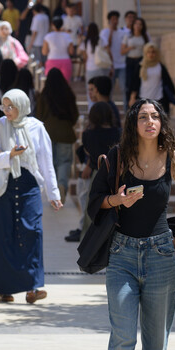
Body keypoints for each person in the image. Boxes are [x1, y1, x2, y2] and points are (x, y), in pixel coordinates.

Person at [88, 98, 175, 350]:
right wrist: (118, 200)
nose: (151, 121)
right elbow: (95, 202)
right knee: (122, 339)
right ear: (134, 123)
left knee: (156, 343)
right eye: (144, 116)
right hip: (122, 253)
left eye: (156, 116)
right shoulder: (118, 157)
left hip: (161, 253)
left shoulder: (173, 157)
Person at [0, 89, 62, 304]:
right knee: (2, 233)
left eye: (11, 106)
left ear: (22, 106)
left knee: (32, 232)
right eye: (4, 106)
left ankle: (33, 287)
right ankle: (4, 288)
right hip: (2, 186)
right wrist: (10, 155)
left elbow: (46, 162)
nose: (6, 111)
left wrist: (53, 193)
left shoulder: (37, 127)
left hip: (29, 185)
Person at [65, 100, 122, 243]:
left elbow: (89, 152)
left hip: (98, 174)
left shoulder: (89, 134)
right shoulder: (118, 133)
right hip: (116, 174)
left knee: (93, 208)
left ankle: (88, 239)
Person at [35, 67, 78, 204]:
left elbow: (39, 115)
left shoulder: (44, 95)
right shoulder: (68, 94)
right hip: (65, 132)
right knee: (64, 162)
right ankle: (62, 185)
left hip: (47, 133)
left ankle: (53, 191)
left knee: (50, 163)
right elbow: (75, 115)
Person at [131, 44, 175, 116]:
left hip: (159, 98)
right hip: (143, 98)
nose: (151, 54)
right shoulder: (141, 66)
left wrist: (173, 94)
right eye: (148, 52)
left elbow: (167, 81)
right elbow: (135, 83)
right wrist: (132, 97)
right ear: (145, 53)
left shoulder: (160, 66)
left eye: (153, 52)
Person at [99, 11, 129, 99]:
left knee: (124, 88)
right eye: (113, 19)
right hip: (110, 66)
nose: (115, 21)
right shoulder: (104, 32)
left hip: (122, 64)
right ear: (109, 21)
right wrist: (111, 31)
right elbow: (107, 45)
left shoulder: (123, 33)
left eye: (116, 19)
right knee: (109, 89)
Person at [121, 17, 148, 107]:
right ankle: (128, 107)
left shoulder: (144, 36)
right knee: (129, 84)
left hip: (140, 61)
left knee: (139, 83)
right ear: (133, 25)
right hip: (130, 61)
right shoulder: (128, 36)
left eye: (140, 24)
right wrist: (130, 48)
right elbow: (122, 51)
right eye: (136, 24)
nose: (138, 26)